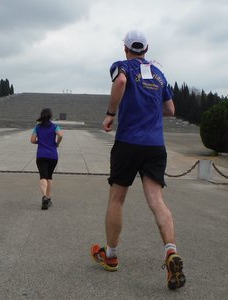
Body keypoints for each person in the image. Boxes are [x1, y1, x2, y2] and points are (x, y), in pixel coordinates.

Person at [90, 30, 185, 290]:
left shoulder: (122, 66)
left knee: (117, 198)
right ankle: (170, 251)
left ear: (126, 49)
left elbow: (120, 82)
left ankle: (110, 256)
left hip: (129, 143)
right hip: (155, 145)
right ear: (146, 48)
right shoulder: (158, 73)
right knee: (157, 201)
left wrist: (111, 113)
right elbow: (171, 109)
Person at [30, 108, 63, 210]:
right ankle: (48, 198)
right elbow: (61, 135)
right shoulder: (55, 127)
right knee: (49, 176)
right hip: (53, 155)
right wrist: (56, 143)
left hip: (41, 155)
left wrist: (39, 142)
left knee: (43, 176)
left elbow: (32, 140)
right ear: (50, 116)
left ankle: (44, 197)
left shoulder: (37, 127)